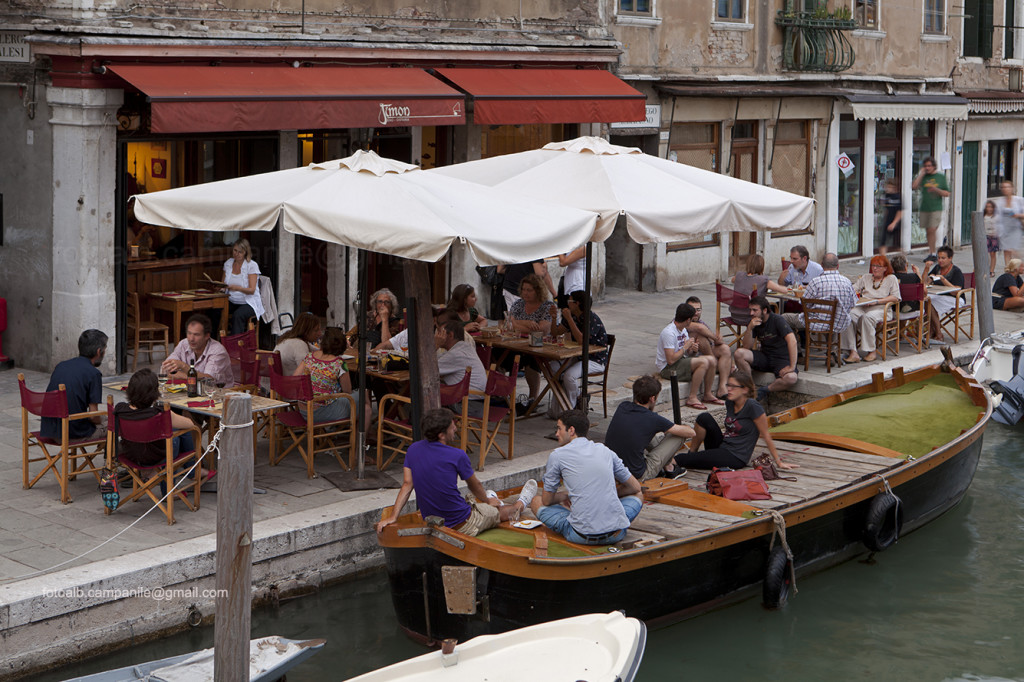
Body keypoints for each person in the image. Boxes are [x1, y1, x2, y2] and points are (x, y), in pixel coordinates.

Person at [376, 409, 535, 535]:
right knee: (500, 512)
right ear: (441, 434)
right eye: (452, 427)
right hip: (462, 523)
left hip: (433, 519)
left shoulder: (412, 449)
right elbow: (474, 485)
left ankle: (491, 498)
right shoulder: (458, 455)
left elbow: (407, 484)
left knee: (473, 500)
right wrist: (487, 502)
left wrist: (393, 517)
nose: (456, 428)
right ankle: (521, 502)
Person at [522, 410, 643, 546]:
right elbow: (635, 487)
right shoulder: (605, 450)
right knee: (638, 495)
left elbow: (547, 500)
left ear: (571, 430)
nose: (556, 434)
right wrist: (604, 492)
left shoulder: (557, 455)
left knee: (536, 501)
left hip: (581, 536)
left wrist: (565, 496)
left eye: (559, 428)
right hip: (616, 533)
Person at [667, 371, 795, 473]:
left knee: (681, 459)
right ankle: (692, 453)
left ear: (745, 389)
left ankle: (667, 464)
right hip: (723, 446)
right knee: (704, 418)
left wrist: (778, 462)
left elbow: (766, 435)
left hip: (735, 456)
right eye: (729, 385)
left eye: (734, 387)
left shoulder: (753, 407)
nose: (729, 390)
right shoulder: (730, 402)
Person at [114, 368, 211, 480]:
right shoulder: (160, 414)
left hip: (130, 455)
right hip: (155, 457)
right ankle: (190, 472)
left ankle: (188, 472)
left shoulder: (120, 409)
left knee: (170, 433)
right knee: (180, 433)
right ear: (155, 393)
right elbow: (190, 424)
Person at [604, 375, 696, 482]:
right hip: (637, 476)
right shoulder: (653, 419)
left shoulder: (623, 406)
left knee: (641, 430)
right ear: (652, 398)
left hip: (611, 469)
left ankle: (668, 466)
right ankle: (669, 469)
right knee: (679, 435)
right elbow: (691, 433)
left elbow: (643, 421)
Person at [293, 326, 371, 426]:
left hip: (303, 409)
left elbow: (295, 377)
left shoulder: (310, 356)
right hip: (322, 412)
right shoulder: (339, 363)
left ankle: (346, 431)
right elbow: (347, 391)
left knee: (361, 403)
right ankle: (361, 438)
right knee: (364, 399)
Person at [40, 329, 107, 442]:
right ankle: (111, 458)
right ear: (99, 351)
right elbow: (93, 416)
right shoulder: (93, 373)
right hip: (72, 433)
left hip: (50, 429)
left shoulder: (61, 366)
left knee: (105, 418)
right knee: (115, 424)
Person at [551, 290, 608, 412]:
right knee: (553, 368)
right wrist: (554, 318)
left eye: (569, 301)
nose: (567, 303)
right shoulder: (570, 316)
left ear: (577, 303)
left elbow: (582, 340)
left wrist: (570, 319)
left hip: (595, 359)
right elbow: (555, 333)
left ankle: (571, 410)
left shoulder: (591, 318)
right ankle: (572, 399)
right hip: (578, 356)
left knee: (569, 376)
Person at [734, 296, 798, 403]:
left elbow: (792, 341)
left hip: (781, 359)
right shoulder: (755, 322)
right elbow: (746, 347)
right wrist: (749, 328)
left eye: (755, 310)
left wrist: (791, 366)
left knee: (791, 378)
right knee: (739, 353)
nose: (751, 313)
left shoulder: (777, 320)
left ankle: (764, 390)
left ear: (764, 310)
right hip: (765, 356)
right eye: (750, 310)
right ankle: (751, 389)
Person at [654, 302, 718, 410]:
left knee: (711, 359)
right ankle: (692, 397)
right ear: (688, 320)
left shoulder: (683, 330)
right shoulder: (669, 333)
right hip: (667, 368)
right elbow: (670, 360)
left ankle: (707, 394)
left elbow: (687, 354)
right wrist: (685, 347)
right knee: (703, 362)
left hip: (680, 361)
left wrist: (693, 350)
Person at [508, 273, 557, 403]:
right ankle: (503, 395)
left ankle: (533, 398)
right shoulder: (518, 304)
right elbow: (510, 324)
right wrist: (528, 324)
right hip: (517, 344)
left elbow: (542, 329)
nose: (525, 293)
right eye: (523, 289)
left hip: (539, 346)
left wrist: (518, 323)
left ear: (538, 290)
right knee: (497, 355)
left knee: (532, 359)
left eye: (529, 290)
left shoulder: (547, 306)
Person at [842, 255, 901, 363]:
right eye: (873, 265)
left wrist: (877, 301)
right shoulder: (866, 277)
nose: (875, 268)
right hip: (863, 306)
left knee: (867, 317)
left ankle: (871, 351)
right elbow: (852, 290)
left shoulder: (891, 279)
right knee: (847, 316)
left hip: (881, 308)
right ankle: (853, 351)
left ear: (885, 268)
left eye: (878, 266)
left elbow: (895, 297)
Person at [782, 253, 856, 336]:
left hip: (816, 324)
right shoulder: (847, 282)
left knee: (784, 318)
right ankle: (831, 346)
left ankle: (794, 346)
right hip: (840, 324)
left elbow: (805, 304)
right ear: (838, 266)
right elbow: (852, 304)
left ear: (822, 265)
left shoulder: (815, 282)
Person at [161, 314, 233, 386]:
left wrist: (183, 367)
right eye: (189, 333)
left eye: (196, 335)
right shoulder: (183, 344)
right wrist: (193, 377)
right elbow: (166, 370)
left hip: (218, 393)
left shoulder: (218, 351)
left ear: (207, 336)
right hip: (191, 390)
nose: (191, 339)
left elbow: (209, 381)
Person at [684, 296, 733, 403]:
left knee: (724, 348)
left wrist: (718, 341)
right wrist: (715, 338)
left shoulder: (702, 322)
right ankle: (714, 362)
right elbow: (699, 329)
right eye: (693, 310)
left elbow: (713, 342)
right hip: (687, 357)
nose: (696, 313)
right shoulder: (681, 321)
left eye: (698, 310)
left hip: (701, 353)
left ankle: (722, 387)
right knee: (700, 335)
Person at [221, 238, 265, 335]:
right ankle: (213, 342)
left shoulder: (251, 265)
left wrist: (237, 288)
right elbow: (223, 284)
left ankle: (235, 346)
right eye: (235, 250)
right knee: (216, 310)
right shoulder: (228, 263)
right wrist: (221, 288)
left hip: (249, 303)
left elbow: (252, 290)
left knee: (238, 315)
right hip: (231, 300)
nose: (236, 254)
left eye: (240, 252)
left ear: (245, 252)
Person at [731, 254, 787, 326]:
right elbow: (783, 290)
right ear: (761, 267)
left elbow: (733, 280)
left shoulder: (738, 275)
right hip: (752, 317)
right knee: (774, 311)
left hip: (735, 316)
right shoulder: (763, 280)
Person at [435, 318, 487, 394]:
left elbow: (427, 370)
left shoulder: (456, 354)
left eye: (440, 333)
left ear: (450, 335)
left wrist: (435, 345)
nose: (436, 336)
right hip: (472, 395)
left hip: (469, 399)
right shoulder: (462, 348)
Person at [925, 246, 966, 344]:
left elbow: (956, 291)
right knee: (925, 300)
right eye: (938, 258)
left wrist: (943, 279)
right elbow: (925, 283)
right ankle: (931, 330)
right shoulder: (937, 268)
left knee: (929, 303)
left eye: (943, 258)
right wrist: (926, 270)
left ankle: (938, 333)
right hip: (939, 295)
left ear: (950, 258)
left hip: (955, 298)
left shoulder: (956, 271)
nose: (940, 260)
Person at [912, 157, 950, 259]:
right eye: (925, 166)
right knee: (928, 231)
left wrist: (936, 189)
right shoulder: (924, 177)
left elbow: (947, 193)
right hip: (925, 208)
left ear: (934, 166)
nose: (927, 168)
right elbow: (914, 186)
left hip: (936, 208)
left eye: (929, 166)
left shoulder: (940, 177)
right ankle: (931, 252)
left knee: (932, 229)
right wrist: (921, 174)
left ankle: (934, 253)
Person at [273, 313, 322, 377]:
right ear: (305, 331)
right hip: (292, 383)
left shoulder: (287, 339)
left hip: (282, 382)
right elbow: (306, 371)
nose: (320, 333)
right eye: (316, 330)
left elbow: (317, 351)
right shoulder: (299, 344)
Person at [996, 181, 1024, 266]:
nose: (1005, 189)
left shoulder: (1019, 200)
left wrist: (1017, 215)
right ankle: (1008, 270)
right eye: (1003, 187)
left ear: (1012, 188)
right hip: (1004, 230)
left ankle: (1020, 265)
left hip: (1015, 229)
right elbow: (998, 217)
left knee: (1013, 251)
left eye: (1007, 187)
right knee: (1006, 251)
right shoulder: (1000, 201)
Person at [557, 245, 587, 310]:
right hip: (570, 278)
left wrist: (559, 247)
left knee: (575, 307)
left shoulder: (582, 247)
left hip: (577, 280)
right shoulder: (574, 245)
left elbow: (563, 262)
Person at [878, 179, 902, 255]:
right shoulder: (886, 196)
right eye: (887, 187)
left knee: (898, 244)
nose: (888, 188)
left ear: (894, 188)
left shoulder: (897, 197)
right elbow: (887, 209)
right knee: (883, 241)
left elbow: (900, 211)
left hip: (896, 223)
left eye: (890, 187)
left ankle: (903, 259)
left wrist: (894, 223)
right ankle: (883, 259)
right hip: (888, 221)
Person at [984, 199, 1000, 277]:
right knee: (985, 253)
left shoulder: (996, 217)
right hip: (986, 236)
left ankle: (991, 270)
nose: (989, 209)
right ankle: (985, 268)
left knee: (993, 254)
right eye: (987, 207)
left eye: (990, 207)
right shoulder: (983, 216)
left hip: (994, 236)